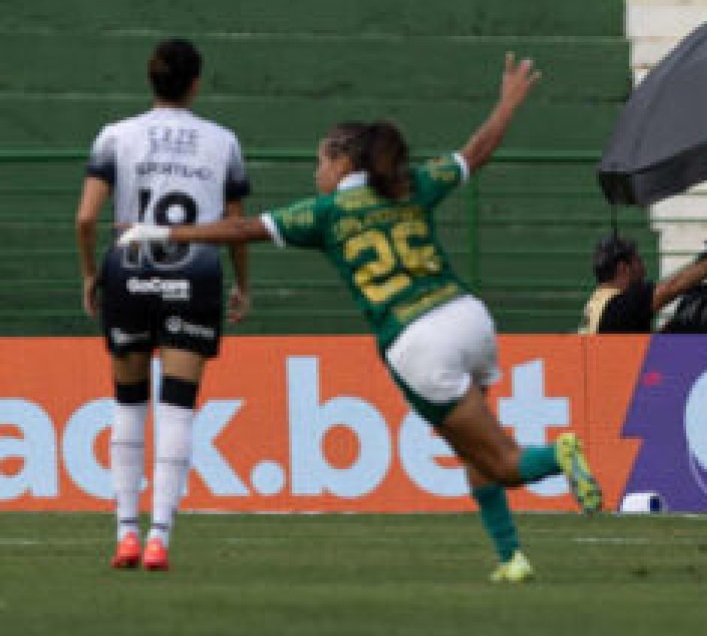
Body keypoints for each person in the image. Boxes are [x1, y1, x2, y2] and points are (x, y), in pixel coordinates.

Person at [119, 55, 602, 583]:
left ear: (342, 163)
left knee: (504, 461)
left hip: (418, 341)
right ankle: (510, 557)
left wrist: (163, 234)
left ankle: (559, 454)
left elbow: (241, 230)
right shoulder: (409, 183)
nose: (316, 172)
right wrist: (507, 103)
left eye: (320, 161)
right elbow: (474, 154)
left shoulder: (324, 214)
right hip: (468, 317)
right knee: (472, 446)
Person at [75, 38, 253, 573]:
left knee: (128, 404)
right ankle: (159, 538)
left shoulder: (116, 136)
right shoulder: (222, 142)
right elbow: (237, 224)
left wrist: (91, 275)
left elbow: (85, 219)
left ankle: (125, 533)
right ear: (195, 83)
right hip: (193, 278)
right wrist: (242, 283)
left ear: (151, 81)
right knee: (177, 405)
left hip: (127, 275)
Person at [580, 228, 707, 333]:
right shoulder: (621, 303)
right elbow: (673, 287)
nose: (643, 269)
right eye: (638, 261)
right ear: (622, 268)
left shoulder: (599, 302)